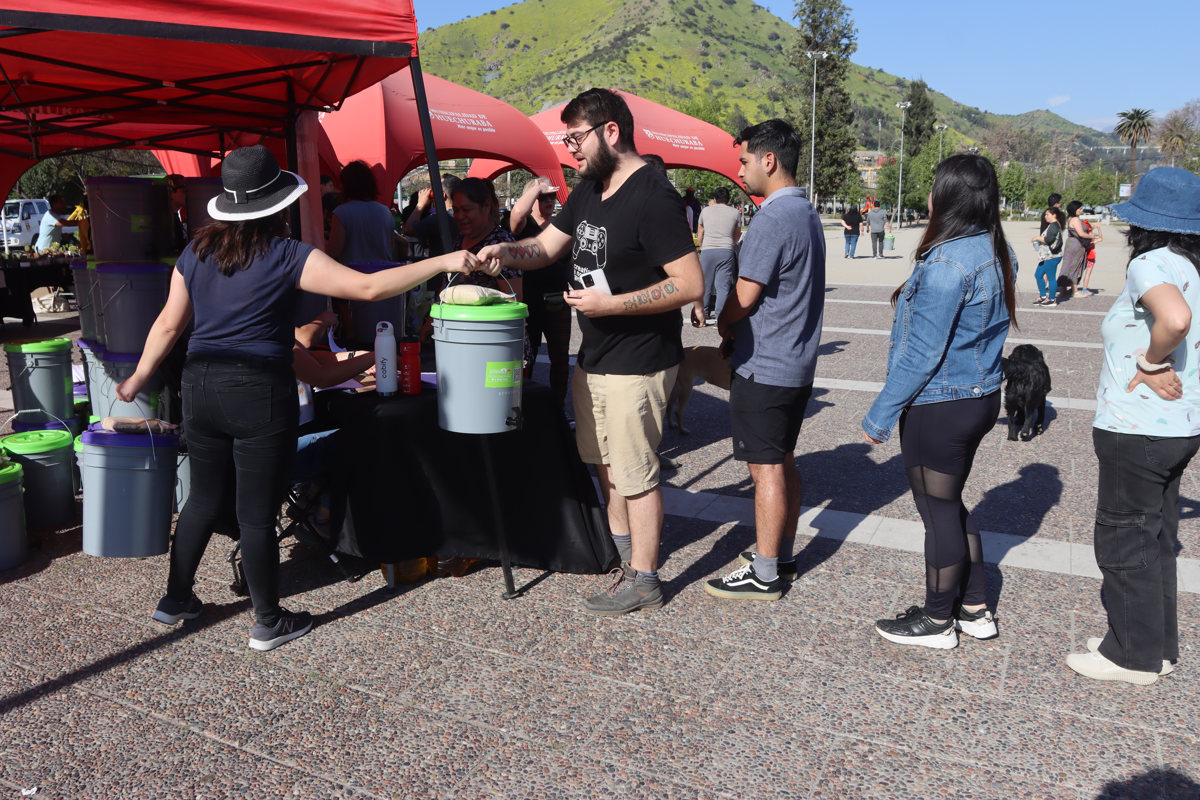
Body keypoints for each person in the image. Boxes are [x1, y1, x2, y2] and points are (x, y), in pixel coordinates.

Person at [116, 144, 484, 651]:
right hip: (258, 392)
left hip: (199, 386)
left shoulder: (196, 250)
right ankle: (267, 621)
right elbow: (370, 288)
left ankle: (176, 598)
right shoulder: (290, 255)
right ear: (278, 206)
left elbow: (167, 324)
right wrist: (443, 260)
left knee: (200, 498)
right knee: (256, 512)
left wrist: (138, 377)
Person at [477, 87, 703, 616]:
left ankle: (646, 580)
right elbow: (547, 247)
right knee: (605, 466)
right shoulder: (586, 191)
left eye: (576, 138)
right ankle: (626, 559)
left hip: (639, 360)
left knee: (637, 473)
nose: (571, 149)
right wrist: (503, 252)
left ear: (611, 131)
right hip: (594, 357)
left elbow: (690, 283)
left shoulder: (654, 196)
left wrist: (613, 304)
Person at [861, 154, 1017, 649]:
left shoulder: (949, 261)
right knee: (949, 506)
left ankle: (935, 621)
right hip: (978, 398)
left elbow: (923, 352)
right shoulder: (995, 248)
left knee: (937, 512)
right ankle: (973, 610)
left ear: (945, 197)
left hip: (940, 403)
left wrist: (881, 412)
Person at [1065, 167, 1200, 686]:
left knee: (1125, 539)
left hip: (1137, 426)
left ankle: (1131, 656)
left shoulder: (1153, 263)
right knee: (1157, 538)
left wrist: (1149, 361)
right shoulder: (1192, 266)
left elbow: (1177, 320)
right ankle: (1158, 646)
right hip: (1179, 427)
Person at [703, 119, 825, 601]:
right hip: (793, 360)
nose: (741, 169)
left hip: (767, 362)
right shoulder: (805, 211)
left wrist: (724, 321)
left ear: (768, 160)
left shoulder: (773, 216)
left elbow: (745, 294)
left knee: (764, 469)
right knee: (782, 460)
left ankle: (766, 571)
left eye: (745, 160)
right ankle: (782, 553)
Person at [510, 177, 571, 410]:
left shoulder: (561, 225)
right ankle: (524, 407)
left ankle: (557, 409)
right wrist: (536, 187)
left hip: (559, 299)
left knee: (561, 361)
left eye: (552, 196)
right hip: (528, 302)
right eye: (542, 197)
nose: (549, 201)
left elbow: (571, 262)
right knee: (526, 358)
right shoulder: (524, 224)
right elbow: (516, 214)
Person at [327, 160, 401, 264]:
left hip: (355, 275)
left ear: (346, 186)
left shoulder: (342, 212)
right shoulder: (385, 211)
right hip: (383, 274)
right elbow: (391, 246)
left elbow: (334, 251)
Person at [691, 186, 741, 327]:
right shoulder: (735, 212)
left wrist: (702, 245)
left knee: (706, 284)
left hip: (708, 250)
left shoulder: (705, 211)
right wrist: (731, 243)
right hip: (726, 250)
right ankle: (720, 317)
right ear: (729, 199)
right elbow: (737, 233)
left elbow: (700, 230)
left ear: (714, 198)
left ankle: (703, 315)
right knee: (723, 286)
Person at [1060, 200, 1101, 294]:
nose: (1081, 210)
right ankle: (1075, 290)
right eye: (1080, 208)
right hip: (1076, 245)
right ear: (1075, 209)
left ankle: (1064, 288)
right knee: (1075, 266)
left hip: (1071, 244)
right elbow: (1081, 234)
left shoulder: (1070, 218)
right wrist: (1093, 236)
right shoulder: (1075, 219)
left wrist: (1091, 226)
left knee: (1067, 266)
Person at [1031, 207, 1065, 305]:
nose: (1045, 216)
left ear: (1054, 215)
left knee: (1051, 278)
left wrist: (1037, 238)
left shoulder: (1054, 225)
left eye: (1047, 214)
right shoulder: (1052, 225)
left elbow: (1049, 239)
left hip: (1052, 256)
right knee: (1038, 275)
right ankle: (1043, 296)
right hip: (1046, 256)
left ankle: (1051, 299)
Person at [1077, 216, 1102, 296]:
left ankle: (1075, 287)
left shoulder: (1084, 238)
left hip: (1083, 257)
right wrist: (1098, 228)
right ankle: (1084, 289)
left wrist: (1095, 226)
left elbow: (1090, 231)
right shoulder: (1091, 241)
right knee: (1088, 273)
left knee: (1079, 272)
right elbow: (1101, 238)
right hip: (1090, 258)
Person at [167, 174, 188, 253]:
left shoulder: (175, 217)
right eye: (184, 190)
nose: (188, 193)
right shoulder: (166, 220)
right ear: (171, 190)